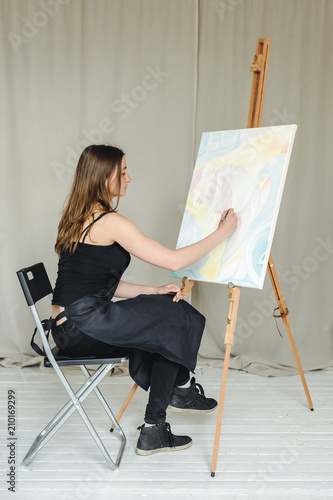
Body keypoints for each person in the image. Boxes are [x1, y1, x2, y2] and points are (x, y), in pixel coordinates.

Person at [51, 144, 238, 456]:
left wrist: (152, 291)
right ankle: (174, 397)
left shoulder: (76, 218)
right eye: (122, 172)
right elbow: (174, 261)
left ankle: (166, 409)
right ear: (101, 177)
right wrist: (224, 231)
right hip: (83, 326)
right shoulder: (109, 222)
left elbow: (100, 285)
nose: (129, 178)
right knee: (172, 319)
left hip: (69, 327)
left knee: (164, 313)